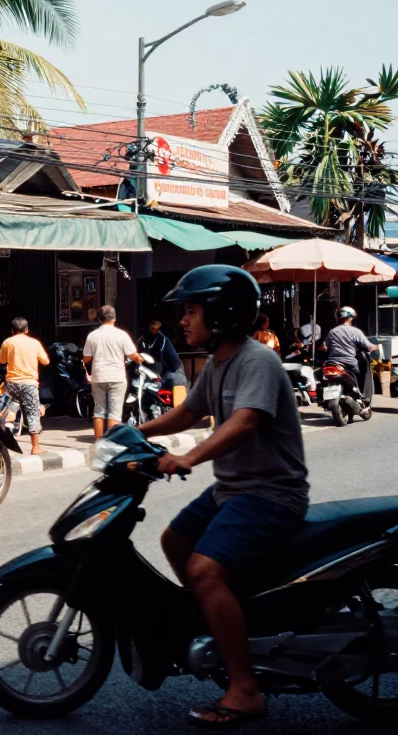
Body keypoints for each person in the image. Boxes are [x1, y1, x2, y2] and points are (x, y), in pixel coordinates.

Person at [138, 265, 308, 729]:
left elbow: (245, 421)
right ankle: (216, 620)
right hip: (234, 491)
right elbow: (190, 412)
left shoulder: (257, 360)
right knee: (174, 539)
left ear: (223, 314)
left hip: (271, 494)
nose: (183, 321)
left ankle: (245, 689)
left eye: (191, 312)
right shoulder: (218, 364)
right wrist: (135, 432)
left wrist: (188, 458)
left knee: (203, 570)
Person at [82, 305, 143, 439]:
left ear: (99, 319)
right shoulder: (121, 335)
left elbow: (86, 358)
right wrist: (139, 359)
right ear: (114, 318)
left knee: (99, 411)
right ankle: (112, 444)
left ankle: (98, 443)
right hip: (117, 378)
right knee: (114, 413)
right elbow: (132, 354)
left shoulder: (92, 335)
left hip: (98, 377)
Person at [0, 317, 49, 455]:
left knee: (9, 412)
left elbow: (1, 360)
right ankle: (35, 447)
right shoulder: (34, 343)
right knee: (32, 413)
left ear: (12, 331)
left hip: (12, 383)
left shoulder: (7, 342)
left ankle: (4, 446)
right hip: (29, 384)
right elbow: (45, 361)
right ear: (26, 330)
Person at [323, 306, 377, 380]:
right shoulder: (355, 331)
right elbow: (369, 347)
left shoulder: (332, 332)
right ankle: (360, 391)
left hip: (332, 363)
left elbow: (327, 346)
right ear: (350, 318)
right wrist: (377, 347)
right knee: (360, 377)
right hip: (349, 364)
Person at [137, 317, 185, 389]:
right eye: (151, 327)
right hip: (160, 369)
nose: (152, 330)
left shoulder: (162, 339)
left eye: (155, 327)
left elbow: (159, 355)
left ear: (159, 326)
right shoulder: (143, 339)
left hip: (173, 370)